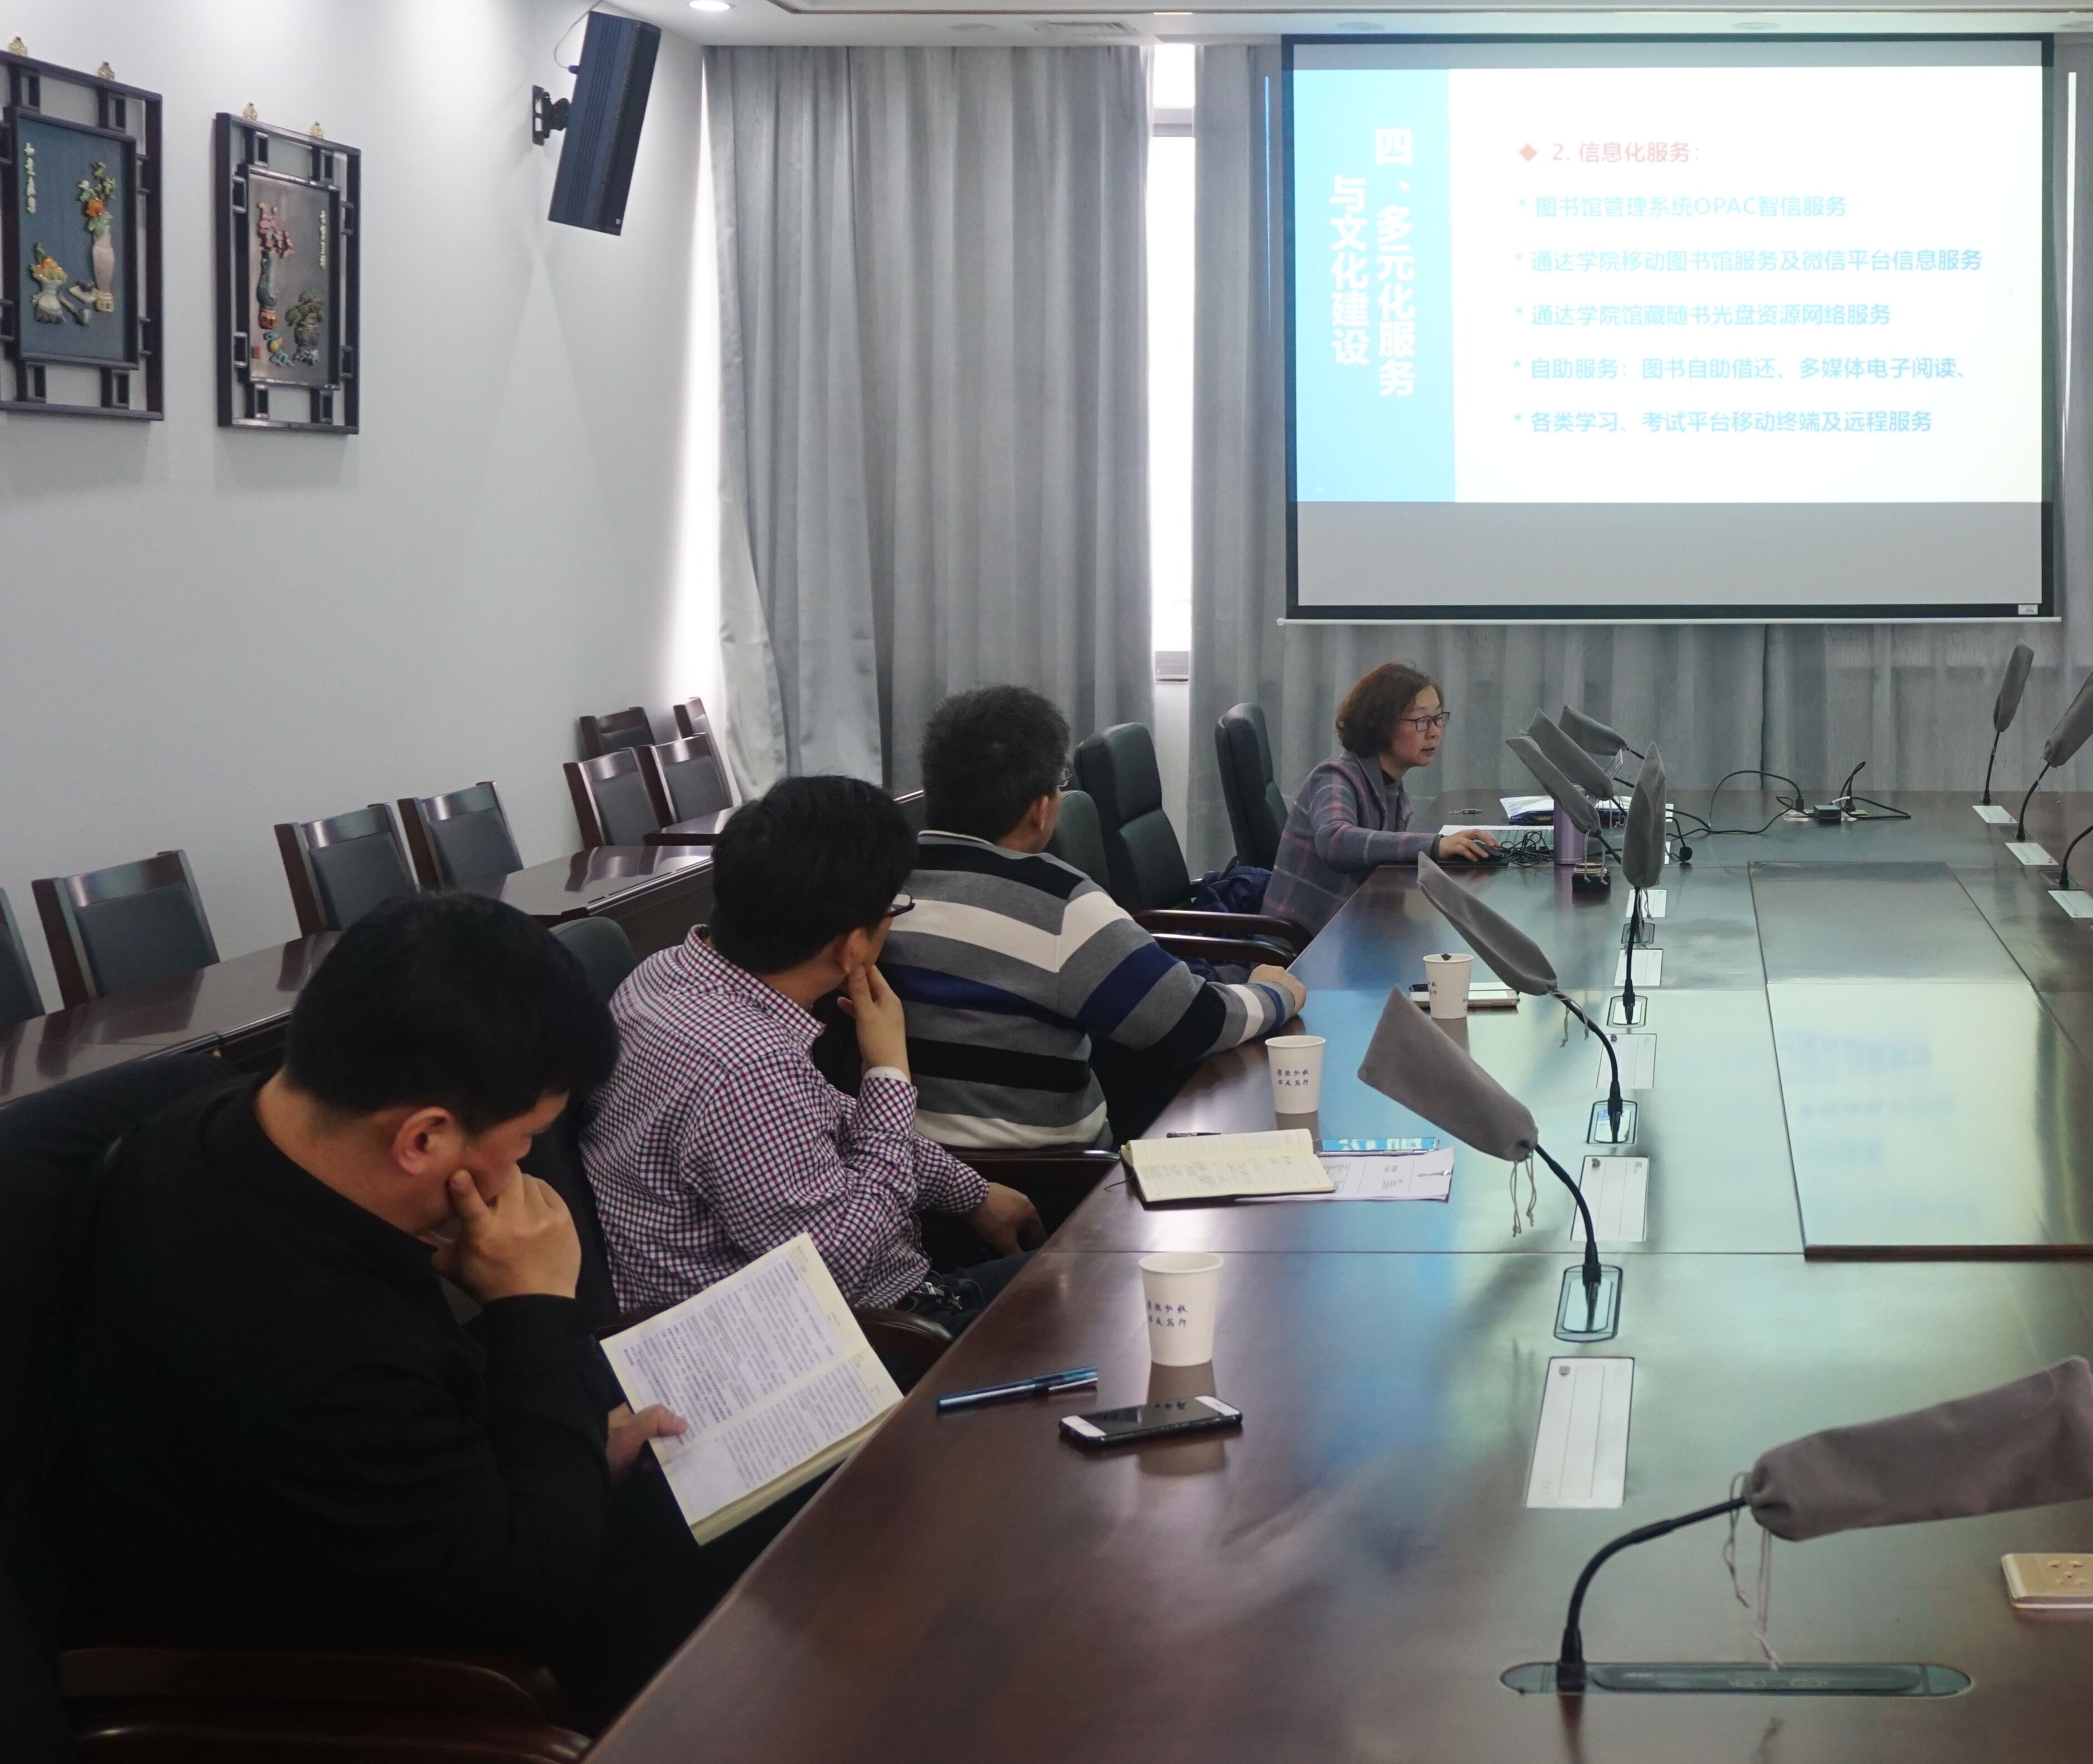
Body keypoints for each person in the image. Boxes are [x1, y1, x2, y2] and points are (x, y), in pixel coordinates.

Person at [63, 894, 733, 1720]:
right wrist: (532, 1303)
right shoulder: (304, 1346)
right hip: (360, 1687)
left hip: (422, 1527)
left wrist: (564, 1443)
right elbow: (535, 1602)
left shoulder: (199, 1122)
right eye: (528, 1138)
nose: (531, 1163)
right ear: (423, 1140)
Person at [585, 774, 1042, 1328]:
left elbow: (826, 1121)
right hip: (851, 1343)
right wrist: (889, 1073)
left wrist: (971, 1192)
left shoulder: (664, 972)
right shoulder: (748, 1066)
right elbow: (839, 1270)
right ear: (853, 945)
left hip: (867, 1307)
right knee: (1089, 1295)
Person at [890, 684, 1307, 1148]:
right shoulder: (1060, 903)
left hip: (909, 1165)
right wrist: (1275, 993)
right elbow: (1192, 1024)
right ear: (1040, 812)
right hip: (1057, 1172)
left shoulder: (880, 884)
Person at [1264, 661, 1498, 936]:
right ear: (1381, 726)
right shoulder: (1335, 776)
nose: (1435, 731)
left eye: (1438, 718)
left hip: (1348, 931)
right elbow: (1335, 841)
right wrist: (1435, 845)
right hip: (1300, 944)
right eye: (1422, 721)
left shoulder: (1391, 788)